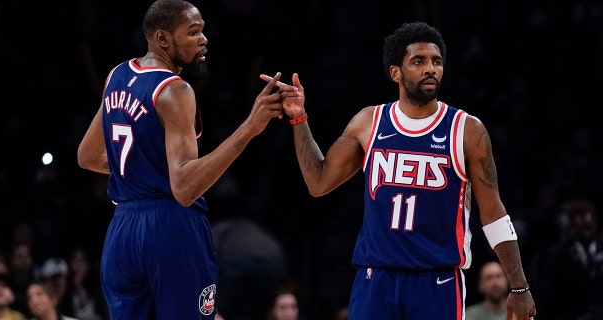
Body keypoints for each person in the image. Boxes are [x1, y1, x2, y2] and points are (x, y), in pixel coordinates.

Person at [262, 21, 536, 319]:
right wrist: (299, 119)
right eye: (418, 61)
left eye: (437, 62)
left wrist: (519, 286)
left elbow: (494, 213)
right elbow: (318, 182)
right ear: (396, 72)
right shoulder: (370, 122)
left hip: (437, 280)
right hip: (375, 278)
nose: (430, 68)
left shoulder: (467, 130)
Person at [76, 0, 296, 318]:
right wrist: (249, 128)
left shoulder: (117, 76)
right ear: (163, 38)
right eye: (193, 32)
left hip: (122, 229)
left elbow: (87, 156)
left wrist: (144, 169)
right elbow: (184, 188)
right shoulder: (176, 91)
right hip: (170, 227)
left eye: (203, 31)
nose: (203, 39)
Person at [534, 198, 603, 319]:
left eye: (588, 216)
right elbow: (546, 295)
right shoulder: (556, 255)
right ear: (570, 224)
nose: (585, 221)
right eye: (579, 217)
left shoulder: (600, 248)